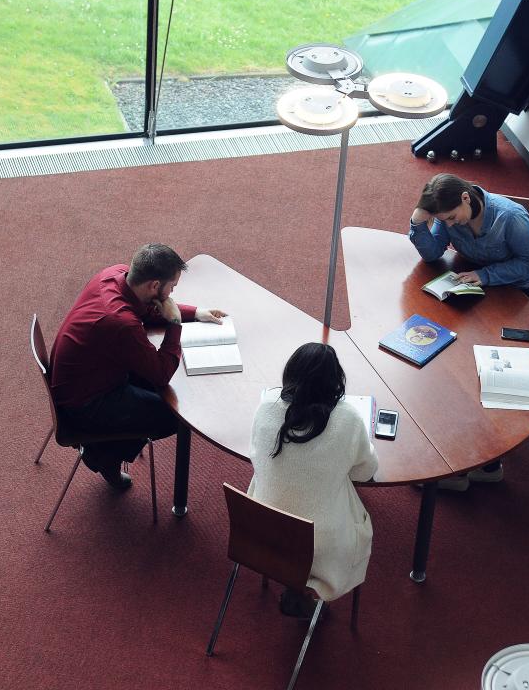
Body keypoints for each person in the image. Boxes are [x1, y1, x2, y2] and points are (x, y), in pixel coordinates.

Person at [50, 243, 226, 489]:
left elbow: (147, 310)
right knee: (175, 418)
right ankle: (103, 456)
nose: (173, 291)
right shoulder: (121, 323)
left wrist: (195, 312)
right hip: (86, 401)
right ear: (154, 285)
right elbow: (162, 373)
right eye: (172, 286)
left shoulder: (113, 275)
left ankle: (103, 447)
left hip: (85, 374)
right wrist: (175, 323)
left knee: (162, 393)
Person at [248, 343, 379, 618]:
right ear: (336, 382)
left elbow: (256, 457)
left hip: (259, 531)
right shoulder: (348, 419)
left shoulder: (266, 407)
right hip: (320, 545)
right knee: (340, 496)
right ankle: (308, 586)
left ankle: (291, 582)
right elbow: (364, 472)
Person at [408, 173, 529, 307]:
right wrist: (417, 222)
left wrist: (485, 274)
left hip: (519, 287)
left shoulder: (511, 216)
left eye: (452, 217)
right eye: (443, 220)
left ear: (466, 198)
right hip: (478, 283)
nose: (449, 225)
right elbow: (432, 254)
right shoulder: (447, 217)